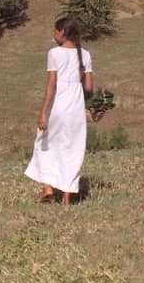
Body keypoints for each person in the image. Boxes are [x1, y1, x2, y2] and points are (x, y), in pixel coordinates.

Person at [24, 16, 94, 205]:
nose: (53, 35)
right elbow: (89, 88)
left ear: (62, 32)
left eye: (55, 31)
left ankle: (47, 188)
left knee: (44, 144)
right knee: (72, 149)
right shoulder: (85, 54)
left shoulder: (54, 53)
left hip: (58, 107)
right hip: (76, 108)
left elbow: (51, 86)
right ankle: (66, 197)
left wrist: (43, 112)